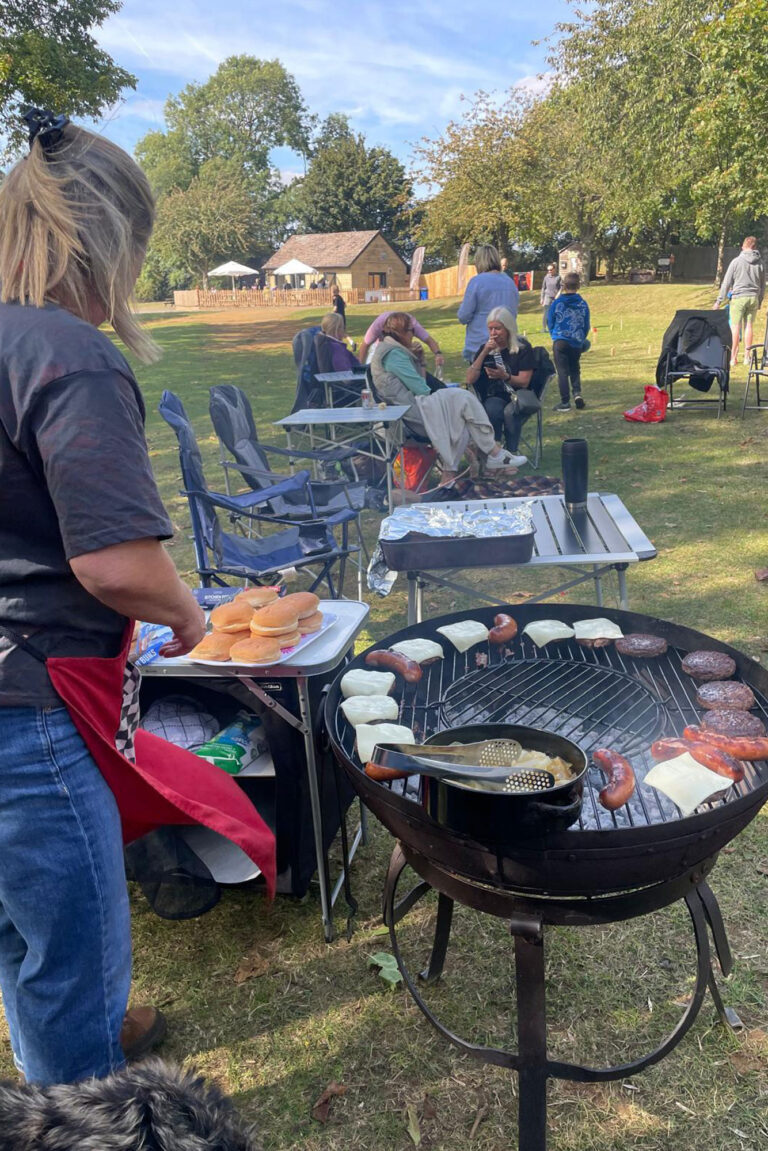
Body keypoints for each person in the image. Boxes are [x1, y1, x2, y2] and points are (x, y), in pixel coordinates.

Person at [0, 111, 215, 1085]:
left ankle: (58, 1067)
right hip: (29, 718)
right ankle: (81, 1096)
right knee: (76, 968)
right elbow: (116, 563)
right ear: (110, 240)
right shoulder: (66, 353)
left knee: (20, 945)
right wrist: (186, 610)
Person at [370, 313, 522, 481]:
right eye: (411, 330)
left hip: (412, 408)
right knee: (462, 398)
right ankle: (493, 453)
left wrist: (420, 361)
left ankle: (449, 479)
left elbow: (420, 385)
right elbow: (421, 389)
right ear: (402, 332)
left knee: (461, 415)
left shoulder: (392, 350)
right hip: (408, 415)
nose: (413, 334)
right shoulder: (393, 354)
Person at [465, 307, 534, 462]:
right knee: (492, 409)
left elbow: (524, 381)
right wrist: (483, 353)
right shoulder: (485, 349)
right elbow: (469, 379)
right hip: (494, 396)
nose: (493, 333)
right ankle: (495, 456)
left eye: (498, 328)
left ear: (508, 328)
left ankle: (511, 454)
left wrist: (505, 376)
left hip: (518, 396)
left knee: (511, 412)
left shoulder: (522, 348)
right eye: (490, 329)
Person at [457, 244, 519, 364]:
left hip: (481, 344)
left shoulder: (477, 282)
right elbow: (513, 313)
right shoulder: (509, 282)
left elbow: (463, 316)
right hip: (505, 343)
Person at [715, 237, 765, 367]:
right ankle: (747, 357)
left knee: (735, 327)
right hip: (753, 297)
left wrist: (719, 301)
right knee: (749, 326)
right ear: (754, 247)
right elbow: (762, 284)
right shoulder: (760, 263)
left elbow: (726, 282)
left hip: (738, 297)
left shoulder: (736, 262)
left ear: (744, 246)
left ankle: (733, 357)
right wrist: (760, 300)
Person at [547, 272, 590, 411]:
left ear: (564, 286)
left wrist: (554, 334)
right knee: (575, 368)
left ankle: (565, 402)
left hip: (560, 340)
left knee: (562, 372)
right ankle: (577, 393)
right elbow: (586, 324)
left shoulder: (557, 303)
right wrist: (581, 338)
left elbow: (550, 320)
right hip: (576, 341)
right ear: (578, 286)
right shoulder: (583, 304)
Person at [359, 311, 444, 374]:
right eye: (410, 332)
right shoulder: (379, 323)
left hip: (403, 349)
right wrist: (360, 369)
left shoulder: (413, 325)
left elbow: (429, 340)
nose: (412, 336)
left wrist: (438, 354)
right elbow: (365, 345)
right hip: (379, 349)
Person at [539, 263, 561, 332]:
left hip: (555, 298)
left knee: (555, 313)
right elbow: (543, 288)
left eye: (551, 270)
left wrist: (558, 294)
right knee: (546, 313)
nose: (549, 271)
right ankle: (544, 328)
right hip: (547, 297)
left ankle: (554, 327)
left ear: (554, 269)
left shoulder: (558, 277)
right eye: (548, 270)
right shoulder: (546, 277)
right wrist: (542, 298)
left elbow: (561, 287)